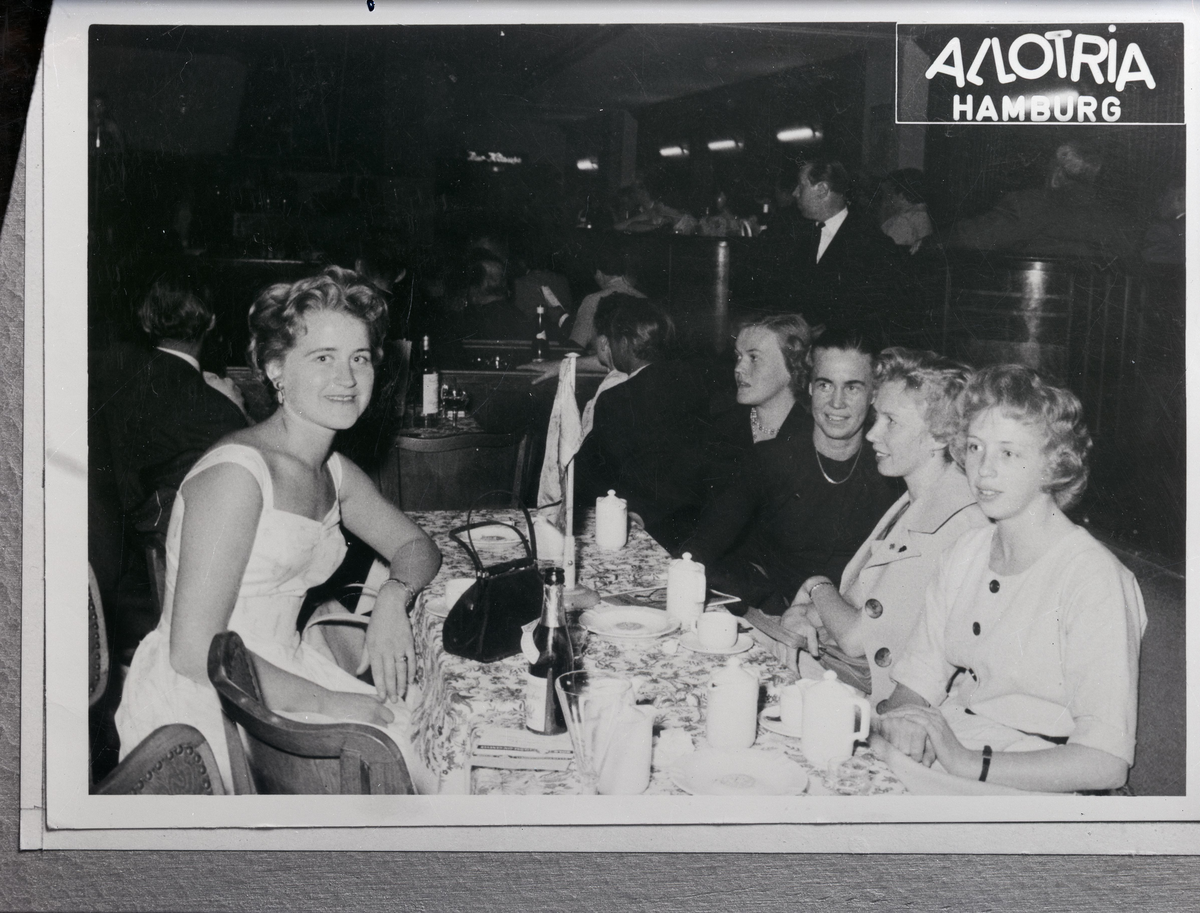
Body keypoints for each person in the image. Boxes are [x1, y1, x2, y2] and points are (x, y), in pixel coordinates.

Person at [115, 267, 443, 793]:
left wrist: (392, 598)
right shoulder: (239, 475)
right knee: (406, 758)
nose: (347, 378)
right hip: (215, 695)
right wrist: (332, 702)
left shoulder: (332, 469)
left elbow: (416, 545)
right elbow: (194, 652)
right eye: (323, 358)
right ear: (275, 370)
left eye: (359, 358)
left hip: (282, 668)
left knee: (428, 738)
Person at [878, 365, 1146, 793]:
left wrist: (968, 763)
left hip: (1039, 781)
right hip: (954, 749)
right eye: (975, 447)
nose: (983, 470)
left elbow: (1106, 762)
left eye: (1008, 453)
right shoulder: (966, 552)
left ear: (1055, 463)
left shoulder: (1092, 577)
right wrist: (905, 723)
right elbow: (914, 683)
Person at [776, 348, 987, 707]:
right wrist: (805, 614)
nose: (873, 434)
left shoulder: (952, 524)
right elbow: (856, 600)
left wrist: (816, 585)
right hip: (856, 678)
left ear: (940, 436)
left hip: (892, 706)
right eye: (877, 418)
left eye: (891, 421)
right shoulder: (915, 501)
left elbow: (856, 638)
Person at [680, 322, 898, 614]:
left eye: (852, 388)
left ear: (874, 394)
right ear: (809, 387)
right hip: (779, 617)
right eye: (825, 385)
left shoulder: (892, 470)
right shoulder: (770, 458)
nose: (836, 402)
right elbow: (706, 542)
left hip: (859, 621)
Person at [92, 271, 250, 656]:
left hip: (108, 560)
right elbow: (259, 464)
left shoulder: (111, 368)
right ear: (211, 322)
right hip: (159, 580)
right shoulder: (213, 409)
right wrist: (237, 408)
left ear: (147, 321)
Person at [573, 296, 709, 551]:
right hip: (694, 521)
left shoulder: (617, 399)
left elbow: (588, 473)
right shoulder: (692, 382)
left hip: (642, 525)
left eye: (613, 341)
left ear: (624, 344)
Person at [944, 138, 1138, 260]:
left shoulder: (1029, 205)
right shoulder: (1120, 219)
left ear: (1057, 174)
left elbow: (967, 239)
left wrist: (932, 236)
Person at [789, 156, 900, 325]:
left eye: (801, 186)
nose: (795, 193)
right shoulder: (793, 231)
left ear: (822, 189)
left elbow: (873, 309)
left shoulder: (871, 242)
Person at [877, 169, 934, 254]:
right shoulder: (921, 215)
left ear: (902, 196)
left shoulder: (904, 221)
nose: (886, 202)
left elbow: (887, 250)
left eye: (890, 195)